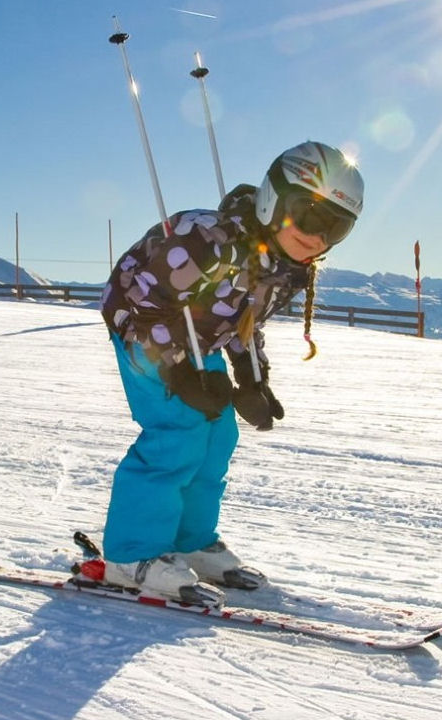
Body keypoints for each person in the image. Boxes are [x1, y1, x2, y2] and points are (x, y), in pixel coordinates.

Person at [95, 141, 363, 602]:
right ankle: (131, 554)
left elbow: (244, 320)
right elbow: (142, 304)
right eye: (310, 215)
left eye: (336, 228)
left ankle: (190, 542)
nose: (318, 237)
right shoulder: (204, 238)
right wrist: (179, 372)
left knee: (219, 433)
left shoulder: (284, 266)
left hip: (203, 339)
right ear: (273, 200)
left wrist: (252, 377)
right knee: (178, 429)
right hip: (145, 331)